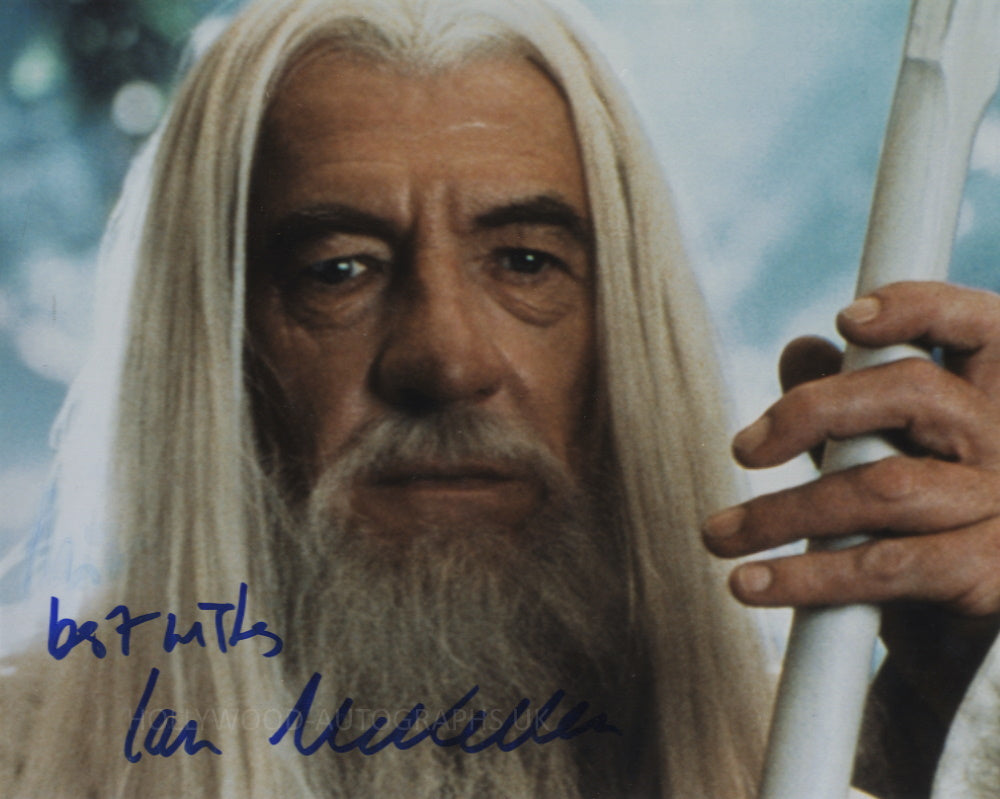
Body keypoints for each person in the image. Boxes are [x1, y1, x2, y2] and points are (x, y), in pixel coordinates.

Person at [1, 1, 997, 797]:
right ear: (213, 353)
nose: (445, 359)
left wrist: (952, 711)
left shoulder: (814, 760)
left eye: (525, 262)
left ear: (626, 336)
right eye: (338, 270)